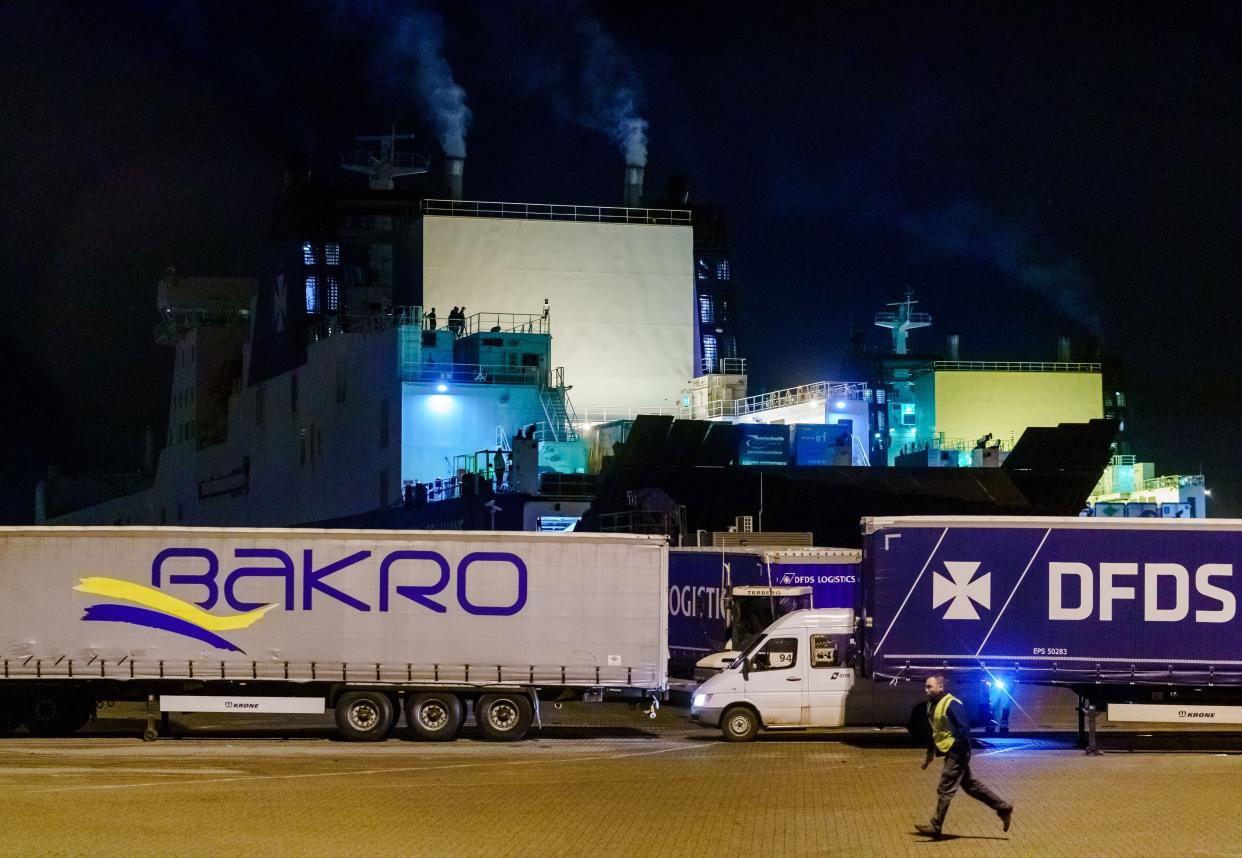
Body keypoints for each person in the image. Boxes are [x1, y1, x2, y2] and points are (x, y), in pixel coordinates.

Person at [915, 673, 1013, 839]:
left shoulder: (951, 703)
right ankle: (1003, 807)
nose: (926, 690)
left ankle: (935, 826)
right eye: (926, 686)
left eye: (929, 686)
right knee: (970, 785)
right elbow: (937, 730)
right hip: (953, 751)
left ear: (941, 687)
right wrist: (929, 754)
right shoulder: (933, 704)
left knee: (945, 788)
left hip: (957, 752)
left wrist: (961, 750)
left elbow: (963, 728)